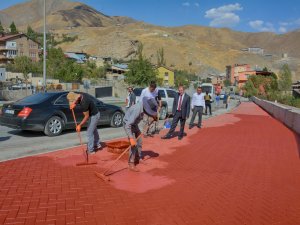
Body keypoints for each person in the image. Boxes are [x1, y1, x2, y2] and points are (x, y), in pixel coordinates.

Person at [123, 97, 158, 172]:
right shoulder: (137, 109)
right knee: (133, 144)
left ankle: (137, 157)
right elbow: (128, 125)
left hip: (134, 124)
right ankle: (131, 163)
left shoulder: (143, 108)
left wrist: (153, 117)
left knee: (140, 141)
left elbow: (150, 114)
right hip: (128, 124)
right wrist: (131, 138)